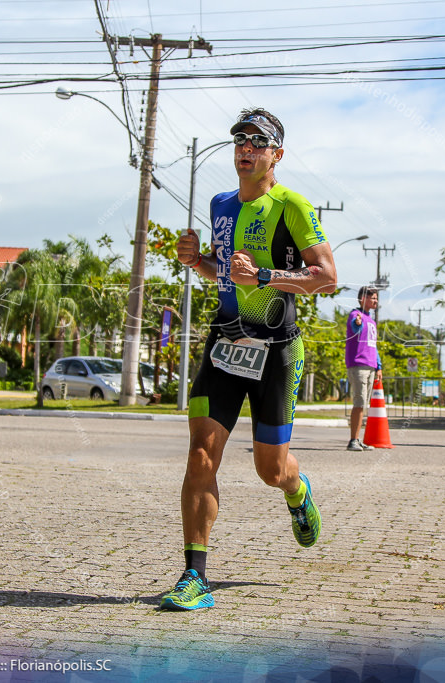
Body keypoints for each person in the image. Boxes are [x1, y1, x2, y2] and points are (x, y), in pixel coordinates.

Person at [162, 107, 338, 610]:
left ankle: (298, 492)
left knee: (270, 469)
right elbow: (224, 273)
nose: (246, 149)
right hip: (225, 343)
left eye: (258, 142)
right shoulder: (220, 204)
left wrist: (262, 277)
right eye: (240, 140)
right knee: (201, 452)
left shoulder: (294, 207)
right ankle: (194, 577)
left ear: (276, 155)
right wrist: (199, 261)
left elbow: (326, 277)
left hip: (277, 349)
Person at [345, 286, 382, 451]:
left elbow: (373, 345)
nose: (375, 301)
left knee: (364, 404)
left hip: (370, 365)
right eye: (372, 297)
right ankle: (353, 440)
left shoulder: (372, 321)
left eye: (376, 298)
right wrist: (357, 324)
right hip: (358, 364)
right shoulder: (356, 315)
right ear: (363, 298)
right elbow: (355, 328)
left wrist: (379, 366)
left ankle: (358, 439)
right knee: (359, 402)